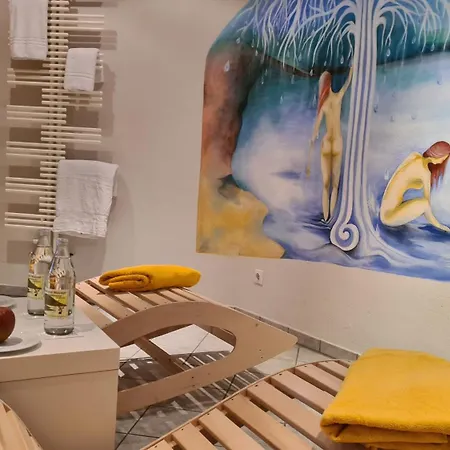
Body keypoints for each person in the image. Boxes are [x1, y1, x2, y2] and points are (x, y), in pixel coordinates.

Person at [307, 67, 353, 221]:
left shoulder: (324, 105)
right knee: (335, 185)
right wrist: (352, 70)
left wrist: (308, 163)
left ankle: (325, 217)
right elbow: (348, 83)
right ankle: (331, 219)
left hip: (326, 143)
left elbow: (314, 135)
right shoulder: (338, 98)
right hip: (337, 142)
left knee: (325, 185)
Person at [380, 141, 450, 232]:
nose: (441, 162)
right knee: (424, 203)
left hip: (385, 209)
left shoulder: (414, 156)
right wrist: (440, 226)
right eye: (443, 159)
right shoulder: (425, 173)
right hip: (388, 218)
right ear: (437, 155)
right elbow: (427, 205)